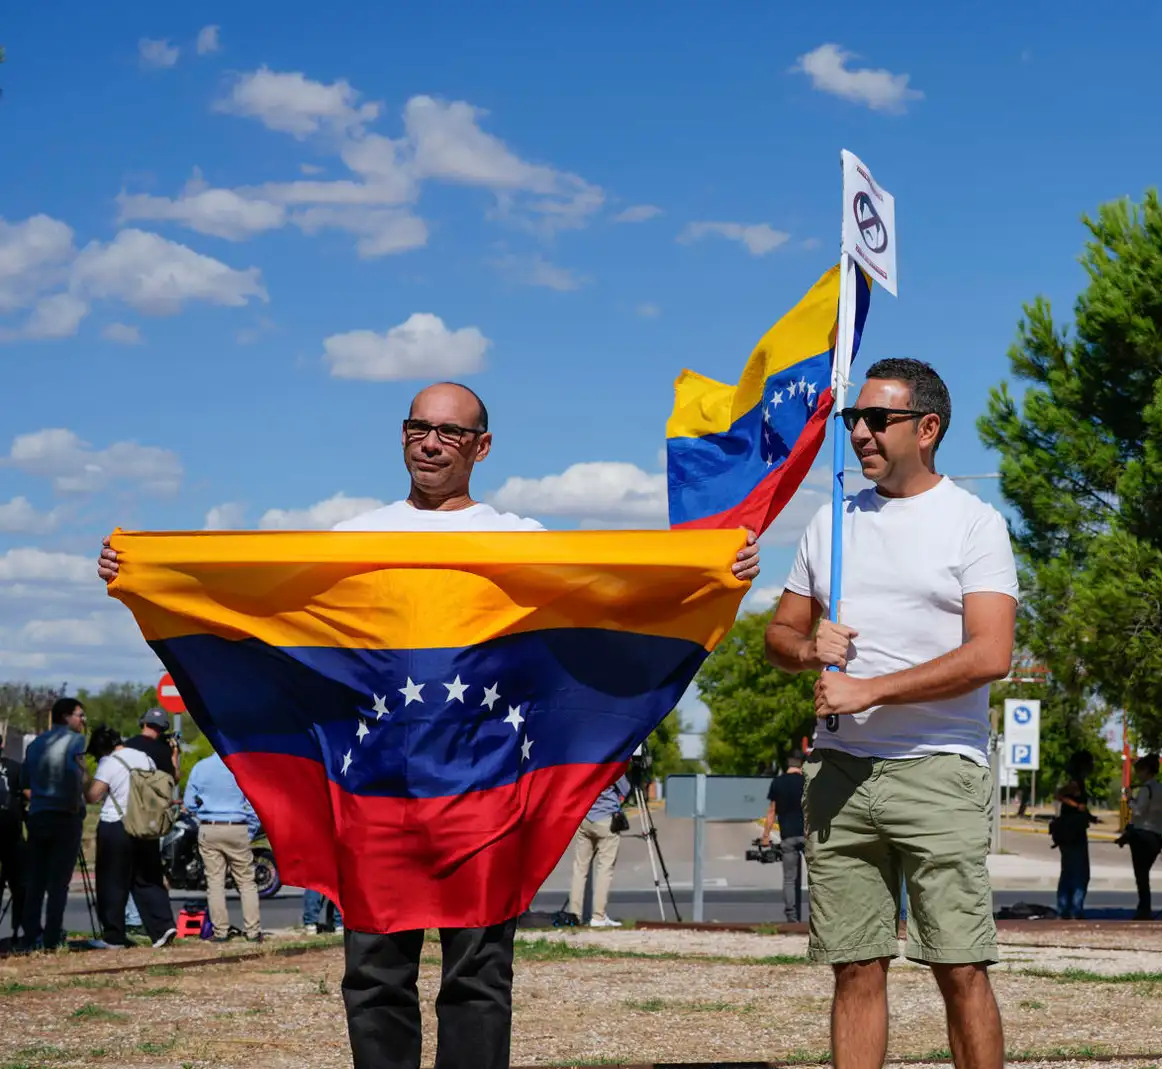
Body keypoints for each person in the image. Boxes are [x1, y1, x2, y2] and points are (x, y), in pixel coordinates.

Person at [99, 381, 759, 1069]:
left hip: (486, 800)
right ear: (404, 433)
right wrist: (145, 575)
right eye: (419, 426)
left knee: (477, 977)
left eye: (450, 430)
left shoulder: (518, 541)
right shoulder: (353, 541)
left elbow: (619, 598)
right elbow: (262, 613)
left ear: (483, 446)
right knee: (374, 974)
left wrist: (714, 573)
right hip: (374, 798)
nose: (432, 441)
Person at [764, 357, 1017, 1069]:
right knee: (854, 966)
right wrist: (810, 646)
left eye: (879, 419)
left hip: (940, 768)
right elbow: (778, 639)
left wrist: (870, 688)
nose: (861, 432)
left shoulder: (974, 524)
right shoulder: (832, 523)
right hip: (840, 772)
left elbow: (990, 653)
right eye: (854, 419)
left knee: (959, 965)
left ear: (928, 428)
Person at [88, 726, 179, 948]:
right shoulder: (145, 758)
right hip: (144, 825)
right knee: (148, 878)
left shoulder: (109, 762)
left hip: (116, 825)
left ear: (102, 748)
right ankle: (163, 927)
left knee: (113, 882)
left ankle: (114, 936)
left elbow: (92, 796)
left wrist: (83, 775)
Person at [18, 697, 89, 951]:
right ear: (66, 716)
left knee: (35, 879)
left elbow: (24, 782)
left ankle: (30, 937)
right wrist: (75, 805)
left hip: (38, 815)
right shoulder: (76, 742)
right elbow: (75, 776)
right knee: (58, 882)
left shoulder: (36, 744)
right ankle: (51, 937)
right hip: (64, 816)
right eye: (80, 715)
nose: (82, 721)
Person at [183, 750, 263, 942]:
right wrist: (250, 830)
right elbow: (253, 804)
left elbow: (188, 803)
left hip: (209, 827)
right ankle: (253, 931)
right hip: (237, 826)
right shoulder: (241, 766)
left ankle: (220, 932)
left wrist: (203, 812)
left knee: (215, 883)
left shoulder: (200, 768)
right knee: (246, 882)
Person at [563, 770, 631, 929]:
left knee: (580, 868)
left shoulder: (586, 762)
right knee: (605, 868)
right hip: (606, 818)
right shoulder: (613, 763)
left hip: (585, 818)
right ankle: (598, 916)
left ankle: (575, 915)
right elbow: (626, 789)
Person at [759, 752, 808, 923]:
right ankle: (818, 917)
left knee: (789, 879)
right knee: (818, 878)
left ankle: (791, 917)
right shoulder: (807, 782)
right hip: (809, 836)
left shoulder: (778, 783)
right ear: (802, 764)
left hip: (788, 836)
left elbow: (772, 811)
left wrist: (766, 835)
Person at [1119, 754, 1162, 920]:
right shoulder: (1160, 788)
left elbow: (1138, 811)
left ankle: (1144, 908)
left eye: (1139, 771)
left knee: (1141, 875)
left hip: (1143, 834)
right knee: (1144, 873)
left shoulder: (1146, 789)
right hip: (1156, 835)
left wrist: (1130, 798)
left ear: (1146, 771)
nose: (1138, 775)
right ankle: (1145, 907)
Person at [1050, 752, 1096, 919]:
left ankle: (1065, 908)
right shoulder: (1075, 782)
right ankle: (1074, 908)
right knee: (1079, 872)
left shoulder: (1078, 782)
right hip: (1073, 832)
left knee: (1069, 870)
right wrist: (1077, 806)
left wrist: (1089, 816)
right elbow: (1059, 795)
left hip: (1070, 831)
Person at [0, 748, 27, 947]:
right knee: (19, 886)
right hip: (13, 834)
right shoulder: (16, 768)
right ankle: (18, 930)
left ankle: (18, 929)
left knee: (19, 886)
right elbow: (27, 796)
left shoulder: (16, 768)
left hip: (13, 836)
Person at [125, 708, 180, 778]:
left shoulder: (127, 744)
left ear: (144, 723)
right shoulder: (163, 751)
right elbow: (174, 779)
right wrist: (174, 754)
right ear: (162, 728)